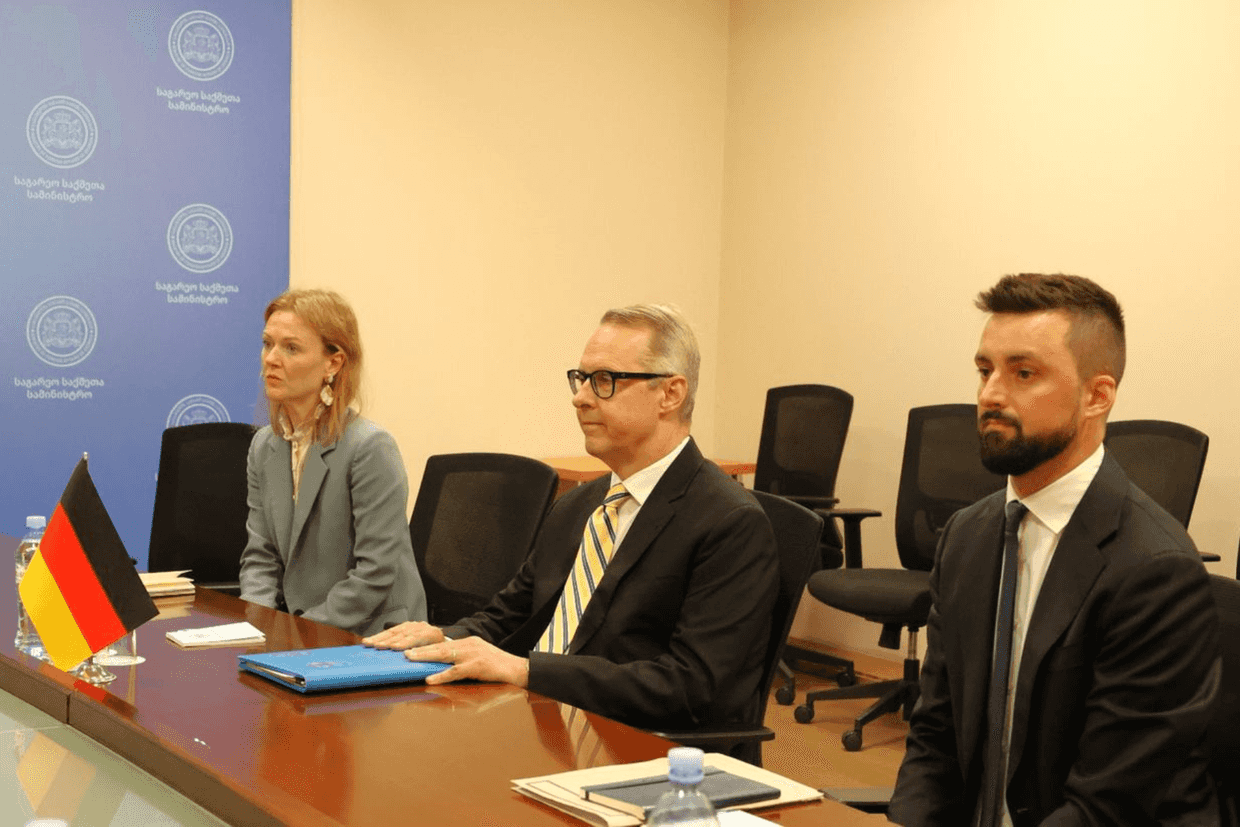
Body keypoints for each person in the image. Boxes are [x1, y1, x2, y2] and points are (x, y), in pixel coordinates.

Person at [888, 274, 1220, 826]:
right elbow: (935, 736)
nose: (991, 393)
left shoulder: (1156, 570)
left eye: (1023, 373)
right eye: (984, 370)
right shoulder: (967, 537)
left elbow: (1108, 805)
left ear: (1097, 396)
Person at [364, 304, 778, 732]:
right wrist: (442, 639)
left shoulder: (730, 522)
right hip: (543, 724)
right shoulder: (581, 506)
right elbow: (509, 616)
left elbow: (693, 688)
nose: (579, 397)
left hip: (635, 747)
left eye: (605, 381)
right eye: (581, 379)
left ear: (670, 394)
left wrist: (527, 672)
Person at [239, 288, 426, 636]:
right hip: (299, 636)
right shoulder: (264, 447)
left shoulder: (370, 447)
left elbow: (374, 575)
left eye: (290, 348)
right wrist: (259, 627)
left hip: (374, 637)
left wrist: (297, 634)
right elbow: (260, 558)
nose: (271, 359)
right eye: (268, 344)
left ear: (333, 363)